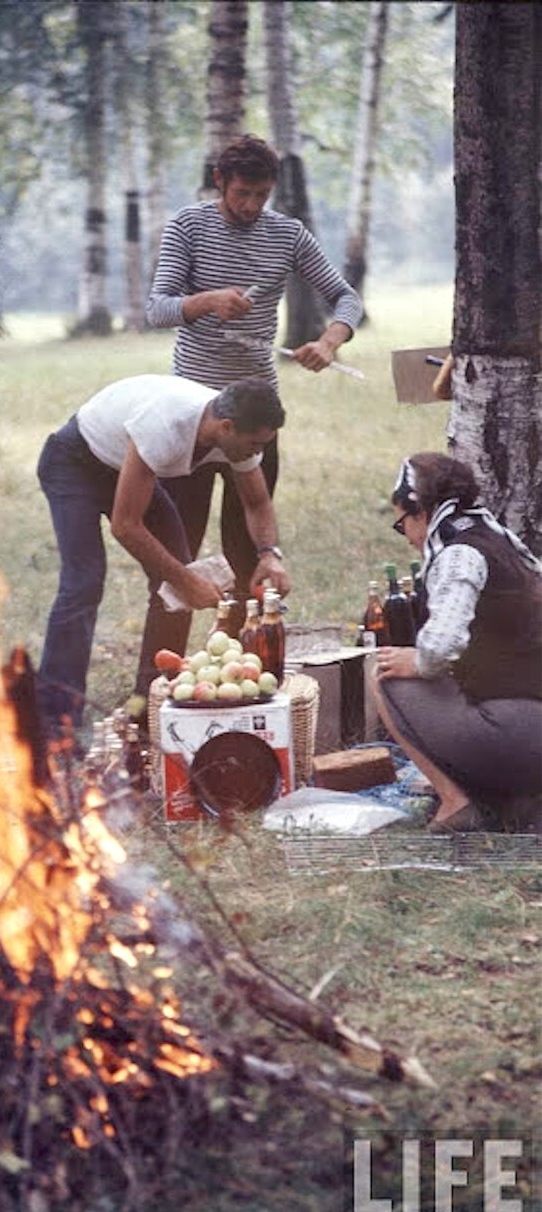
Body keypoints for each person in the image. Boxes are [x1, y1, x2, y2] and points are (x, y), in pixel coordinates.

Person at [146, 133, 362, 641]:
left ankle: (242, 665)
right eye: (242, 193)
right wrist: (206, 301)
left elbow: (345, 296)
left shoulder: (287, 235)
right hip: (192, 418)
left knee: (248, 554)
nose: (250, 205)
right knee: (177, 555)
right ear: (220, 181)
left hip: (255, 417)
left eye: (261, 196)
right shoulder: (188, 225)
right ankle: (156, 682)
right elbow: (157, 308)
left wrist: (329, 342)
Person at [36, 374, 290, 735]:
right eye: (252, 444)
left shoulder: (235, 434)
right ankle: (54, 721)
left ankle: (147, 707)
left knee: (174, 590)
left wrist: (269, 554)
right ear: (226, 426)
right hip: (74, 463)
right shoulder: (167, 427)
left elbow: (257, 501)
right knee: (84, 582)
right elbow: (125, 526)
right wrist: (187, 579)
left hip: (125, 468)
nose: (256, 453)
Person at [372, 452, 542, 833]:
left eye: (403, 526)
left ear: (421, 513)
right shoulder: (501, 541)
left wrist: (415, 661)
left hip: (519, 731)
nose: (409, 540)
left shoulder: (459, 554)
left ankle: (456, 803)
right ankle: (513, 796)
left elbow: (440, 646)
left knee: (385, 673)